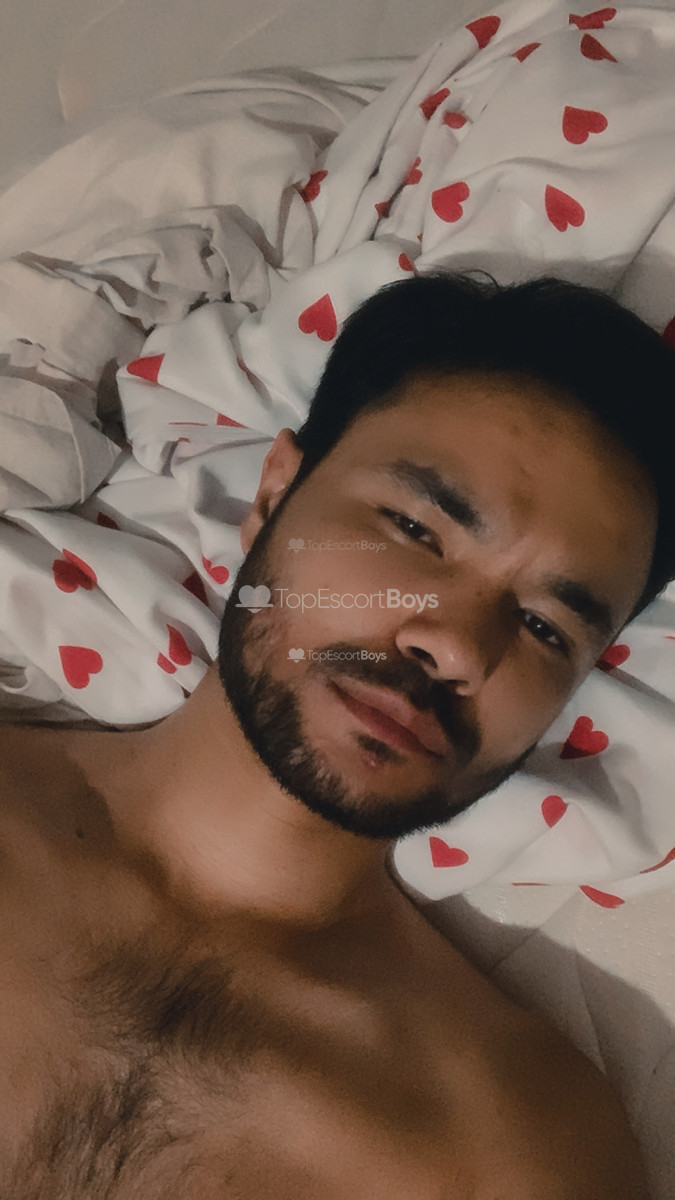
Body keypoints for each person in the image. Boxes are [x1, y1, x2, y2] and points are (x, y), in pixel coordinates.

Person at [0, 272, 669, 1198]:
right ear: (274, 494)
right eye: (415, 529)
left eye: (545, 627)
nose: (455, 646)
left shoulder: (507, 1148)